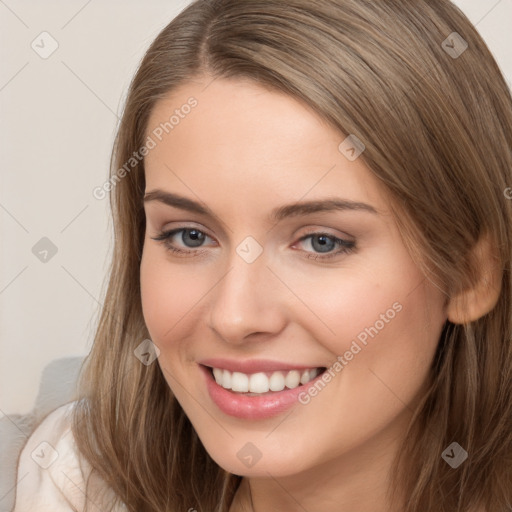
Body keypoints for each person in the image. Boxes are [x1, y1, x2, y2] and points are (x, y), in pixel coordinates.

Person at [12, 0, 512, 511]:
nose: (234, 317)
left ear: (471, 275)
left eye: (322, 242)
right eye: (189, 236)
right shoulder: (79, 483)